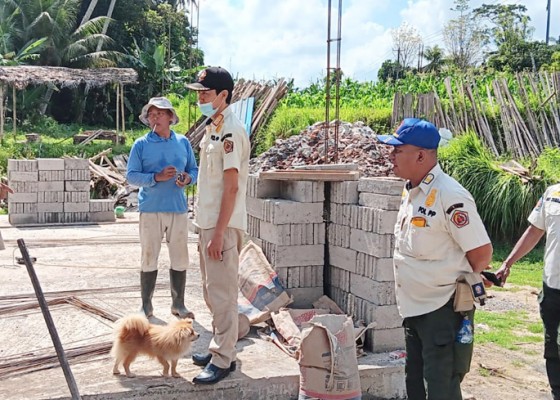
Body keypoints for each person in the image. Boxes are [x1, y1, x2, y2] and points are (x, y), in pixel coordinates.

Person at [376, 118, 493, 400]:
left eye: (397, 150)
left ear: (420, 155)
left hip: (442, 311)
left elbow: (481, 253)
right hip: (414, 310)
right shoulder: (412, 190)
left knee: (441, 387)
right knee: (414, 382)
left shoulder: (450, 195)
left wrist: (458, 282)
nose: (391, 155)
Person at [186, 66, 250, 385]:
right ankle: (219, 348)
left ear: (223, 95)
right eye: (198, 93)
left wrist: (220, 232)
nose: (200, 98)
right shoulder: (214, 126)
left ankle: (224, 358)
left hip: (220, 226)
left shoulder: (231, 131)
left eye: (205, 93)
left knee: (223, 293)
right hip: (208, 223)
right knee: (212, 292)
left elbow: (232, 186)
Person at [126, 96, 198, 319]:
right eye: (150, 114)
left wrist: (186, 179)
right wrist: (155, 177)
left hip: (177, 208)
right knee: (149, 255)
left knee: (180, 256)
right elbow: (131, 176)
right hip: (150, 209)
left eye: (159, 113)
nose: (154, 118)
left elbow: (194, 170)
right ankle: (146, 305)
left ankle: (179, 304)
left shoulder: (183, 142)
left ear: (170, 117)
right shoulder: (141, 145)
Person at [496, 184, 560, 400]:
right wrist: (507, 262)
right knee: (553, 348)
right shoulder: (553, 193)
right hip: (553, 287)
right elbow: (535, 230)